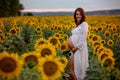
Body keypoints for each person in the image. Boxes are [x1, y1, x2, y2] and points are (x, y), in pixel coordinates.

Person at [68, 7, 89, 80]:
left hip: (78, 49)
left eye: (80, 14)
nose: (78, 16)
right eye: (77, 14)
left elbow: (84, 37)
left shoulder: (84, 24)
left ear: (83, 15)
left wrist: (76, 48)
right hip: (74, 49)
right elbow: (75, 35)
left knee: (72, 69)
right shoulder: (76, 25)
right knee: (71, 69)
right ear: (75, 15)